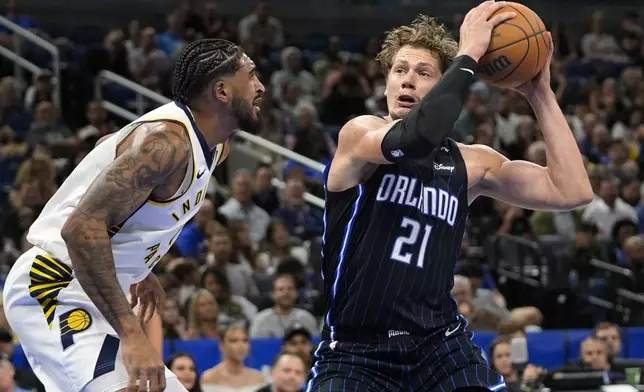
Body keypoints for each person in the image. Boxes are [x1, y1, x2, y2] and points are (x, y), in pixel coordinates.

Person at [308, 2, 593, 391]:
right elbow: (415, 138)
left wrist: (540, 94)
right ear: (387, 83)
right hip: (358, 350)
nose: (407, 80)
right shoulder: (360, 135)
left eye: (423, 73)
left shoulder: (472, 163)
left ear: (443, 86)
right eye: (399, 71)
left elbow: (572, 190)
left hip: (439, 346)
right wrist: (469, 55)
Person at [2, 38, 265, 392]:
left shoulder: (214, 146)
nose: (261, 87)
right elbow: (80, 229)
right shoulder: (167, 144)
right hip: (55, 283)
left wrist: (136, 264)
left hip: (96, 289)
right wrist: (131, 331)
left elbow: (107, 149)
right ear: (221, 90)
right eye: (251, 76)